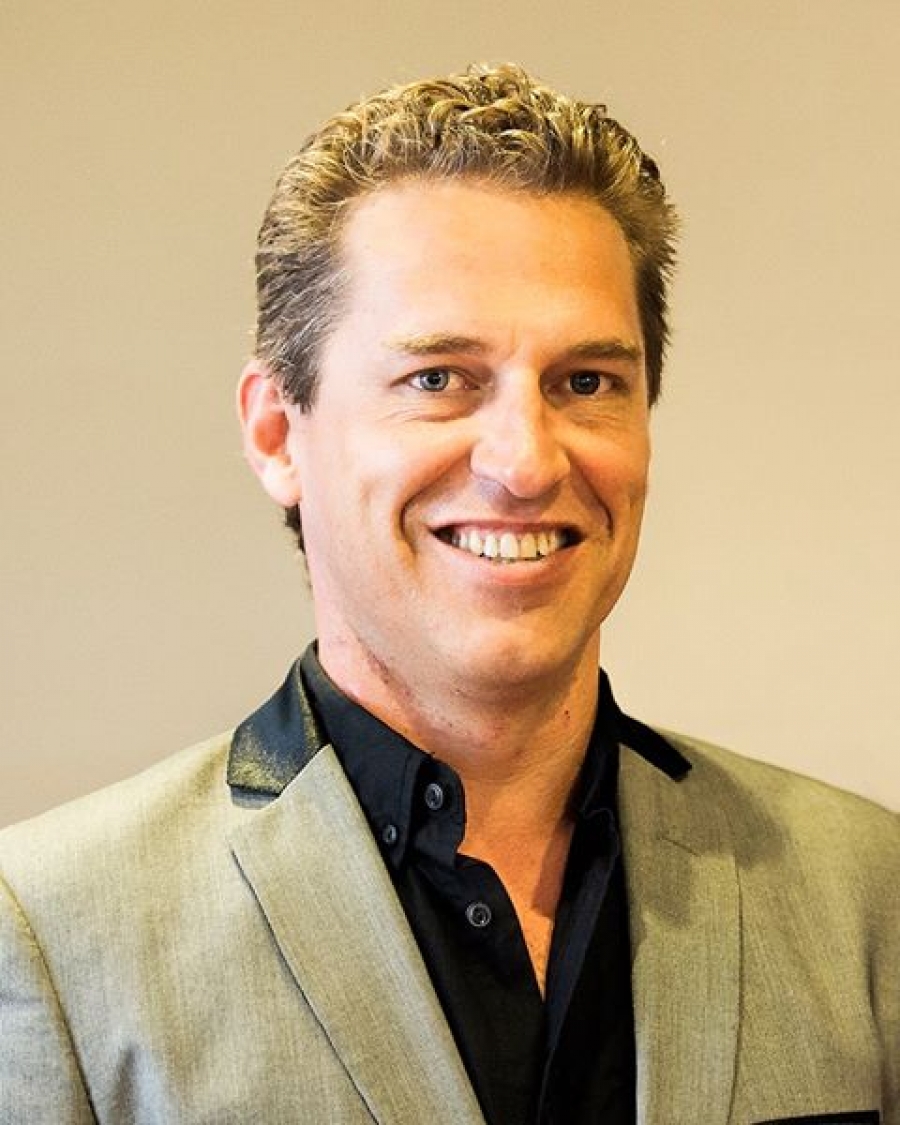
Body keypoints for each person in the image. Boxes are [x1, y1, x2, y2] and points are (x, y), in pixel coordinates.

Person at [0, 63, 897, 1125]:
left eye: (586, 383)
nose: (525, 462)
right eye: (438, 379)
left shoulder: (865, 893)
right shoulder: (53, 935)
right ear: (278, 433)